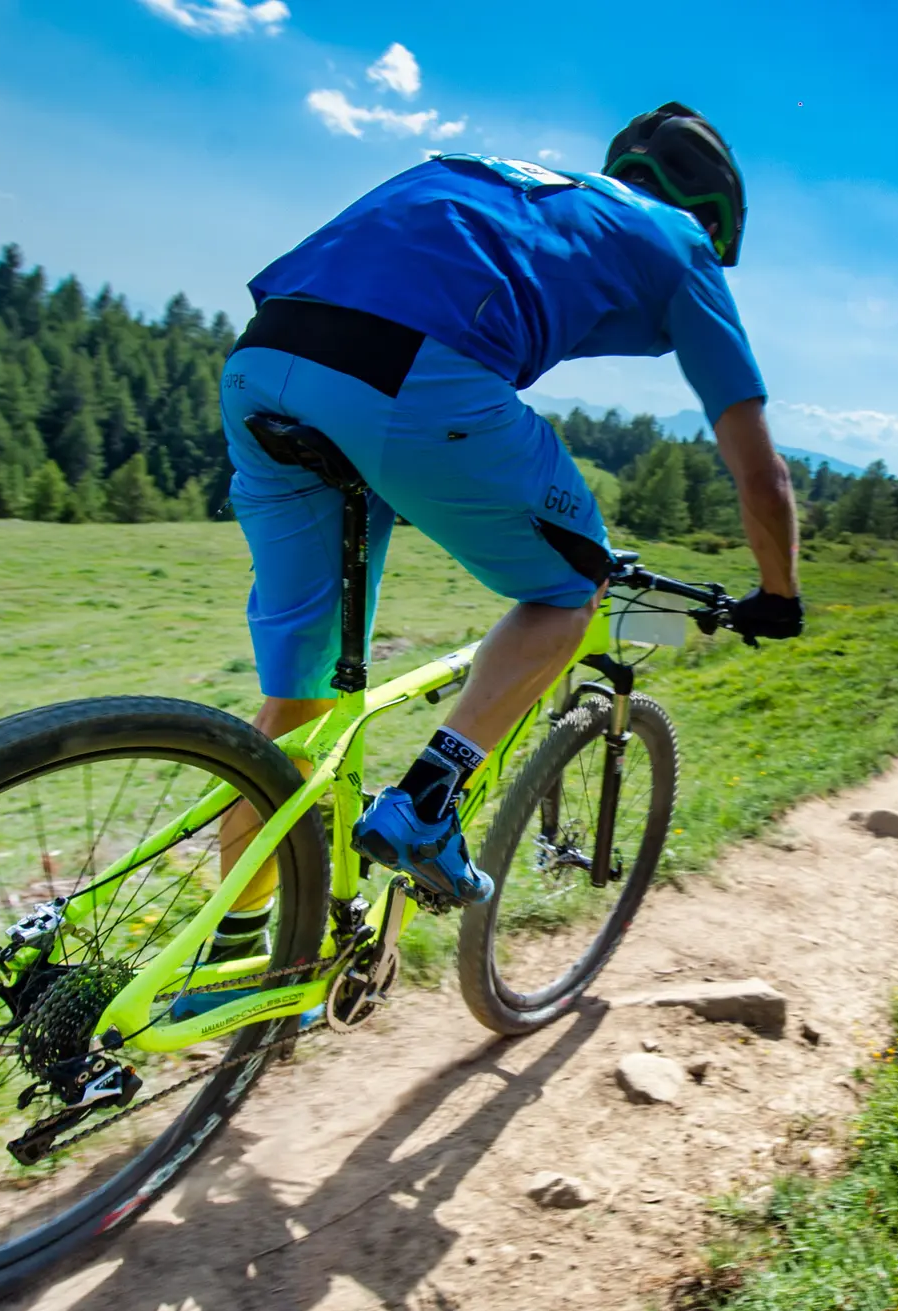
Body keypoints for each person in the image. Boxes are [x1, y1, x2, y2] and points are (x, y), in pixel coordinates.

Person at [211, 102, 802, 957]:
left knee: (299, 704)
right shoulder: (683, 244)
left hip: (264, 360)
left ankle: (231, 958)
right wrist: (778, 595)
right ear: (713, 213)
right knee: (570, 586)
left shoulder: (506, 180)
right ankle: (425, 804)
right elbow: (761, 471)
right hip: (408, 372)